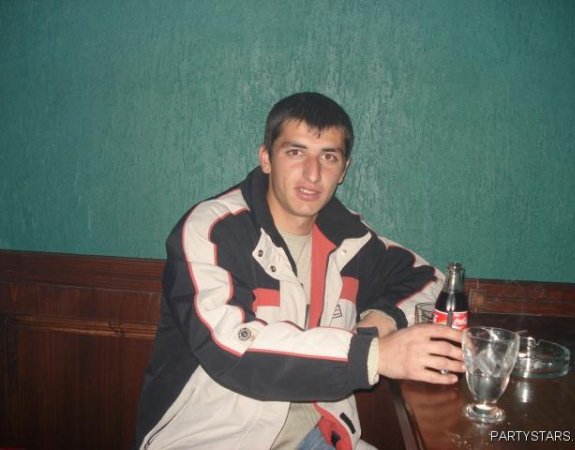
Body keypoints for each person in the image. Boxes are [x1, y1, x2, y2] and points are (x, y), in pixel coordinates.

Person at [134, 92, 464, 450]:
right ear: (266, 158)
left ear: (344, 170)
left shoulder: (351, 240)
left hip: (318, 432)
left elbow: (432, 279)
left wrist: (381, 321)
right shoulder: (213, 230)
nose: (312, 173)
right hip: (211, 439)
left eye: (329, 156)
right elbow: (234, 348)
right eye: (295, 152)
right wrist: (374, 355)